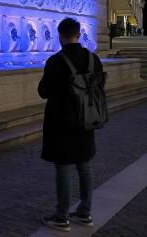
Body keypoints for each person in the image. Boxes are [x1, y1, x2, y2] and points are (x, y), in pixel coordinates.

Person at [38, 18, 104, 232]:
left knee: (64, 167)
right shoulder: (93, 59)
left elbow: (43, 91)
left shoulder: (56, 61)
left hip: (62, 122)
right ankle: (84, 213)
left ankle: (62, 217)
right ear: (78, 33)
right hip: (87, 118)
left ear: (60, 35)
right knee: (85, 165)